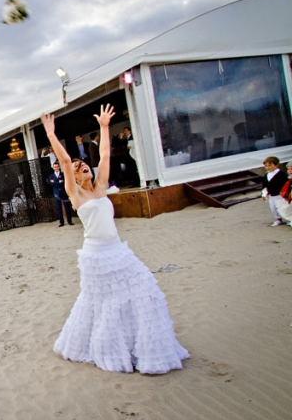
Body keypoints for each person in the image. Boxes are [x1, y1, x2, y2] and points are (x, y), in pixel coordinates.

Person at [43, 104, 189, 374]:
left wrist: (105, 127)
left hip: (118, 252)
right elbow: (64, 162)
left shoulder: (99, 187)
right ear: (72, 176)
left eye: (83, 163)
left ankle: (143, 347)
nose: (82, 165)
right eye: (78, 166)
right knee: (104, 304)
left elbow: (105, 154)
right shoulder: (76, 194)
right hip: (96, 257)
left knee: (145, 291)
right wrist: (51, 135)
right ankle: (107, 346)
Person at [261, 156, 289, 227]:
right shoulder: (267, 175)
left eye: (270, 165)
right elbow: (265, 186)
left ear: (276, 165)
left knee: (284, 207)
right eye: (266, 166)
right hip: (272, 195)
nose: (268, 167)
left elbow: (286, 184)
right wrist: (264, 194)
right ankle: (278, 219)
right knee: (273, 208)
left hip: (280, 195)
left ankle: (289, 218)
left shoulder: (281, 174)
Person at [48, 162, 74, 227]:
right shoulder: (51, 176)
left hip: (63, 192)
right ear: (53, 168)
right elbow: (51, 184)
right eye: (55, 167)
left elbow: (64, 182)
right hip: (56, 193)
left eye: (57, 166)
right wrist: (59, 181)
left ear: (59, 167)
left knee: (67, 207)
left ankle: (69, 221)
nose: (56, 168)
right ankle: (61, 222)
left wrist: (56, 182)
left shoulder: (62, 174)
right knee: (58, 208)